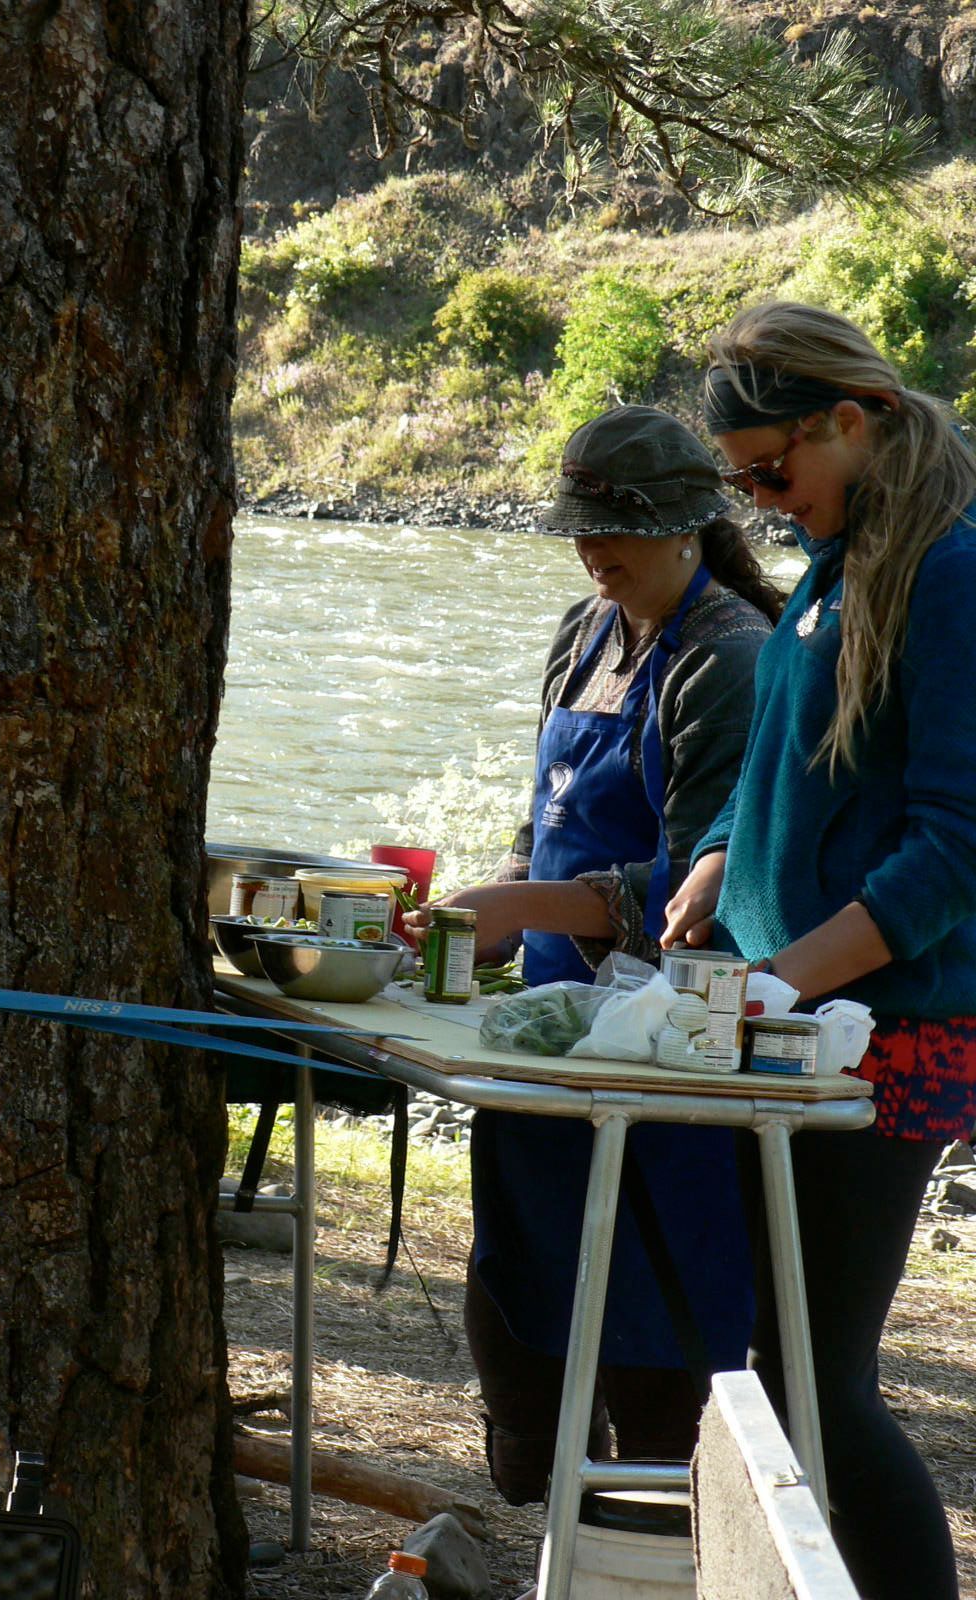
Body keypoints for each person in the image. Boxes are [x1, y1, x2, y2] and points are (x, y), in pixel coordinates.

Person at [407, 405, 784, 1509]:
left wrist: (518, 900)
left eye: (616, 529)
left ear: (691, 525)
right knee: (522, 1274)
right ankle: (533, 1486)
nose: (592, 550)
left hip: (667, 1049)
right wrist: (478, 928)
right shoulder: (584, 630)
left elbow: (709, 891)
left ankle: (646, 1532)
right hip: (551, 1029)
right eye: (580, 528)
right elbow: (548, 819)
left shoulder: (730, 662)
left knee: (653, 1310)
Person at [664, 300, 976, 1600]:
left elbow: (957, 845)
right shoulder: (836, 557)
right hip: (784, 1024)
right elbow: (787, 760)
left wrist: (792, 972)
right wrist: (720, 857)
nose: (764, 502)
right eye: (739, 485)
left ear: (852, 421)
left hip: (882, 1036)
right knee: (755, 1360)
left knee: (815, 1379)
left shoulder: (952, 570)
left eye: (773, 472)